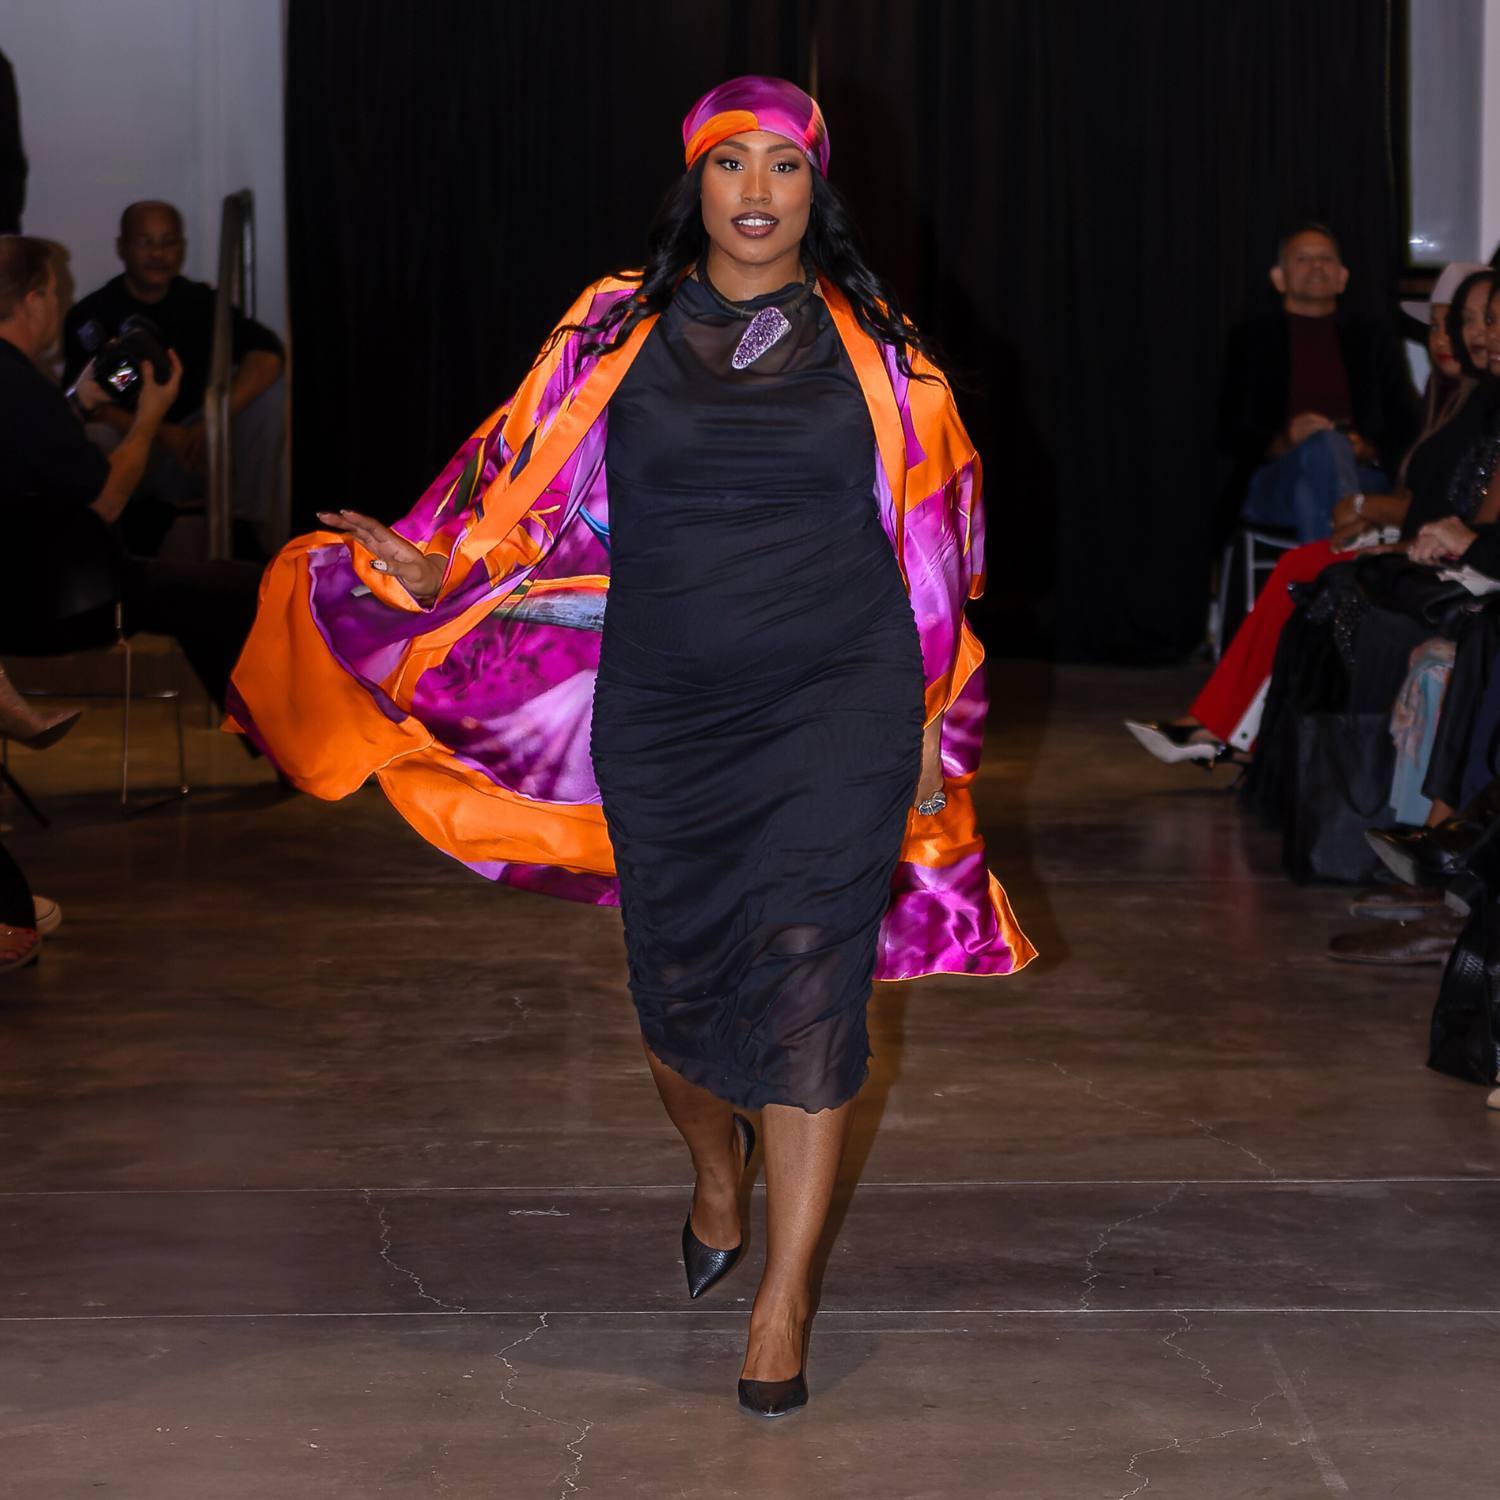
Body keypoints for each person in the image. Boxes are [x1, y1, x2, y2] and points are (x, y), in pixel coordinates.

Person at [227, 76, 1034, 1417]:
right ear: (696, 184)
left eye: (786, 165)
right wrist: (428, 569)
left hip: (844, 696)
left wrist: (935, 735)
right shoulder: (615, 327)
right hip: (668, 708)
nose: (761, 193)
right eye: (733, 165)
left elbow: (939, 554)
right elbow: (515, 486)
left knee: (809, 984)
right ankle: (716, 1172)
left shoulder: (886, 356)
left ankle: (783, 1305)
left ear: (818, 188)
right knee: (675, 993)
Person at [1129, 266, 1495, 767]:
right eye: (1444, 325)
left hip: (1422, 543)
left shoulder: (1476, 404)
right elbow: (1233, 430)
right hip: (1314, 498)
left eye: (1482, 321)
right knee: (1308, 545)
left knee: (1310, 562)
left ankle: (1224, 732)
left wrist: (1364, 504)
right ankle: (1221, 727)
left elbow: (1449, 508)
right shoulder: (1453, 397)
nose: (1457, 337)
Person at [0, 235, 260, 707]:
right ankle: (291, 749)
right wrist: (148, 418)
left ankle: (270, 744)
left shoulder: (19, 388)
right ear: (32, 300)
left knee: (198, 586)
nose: (59, 304)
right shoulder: (24, 389)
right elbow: (107, 500)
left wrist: (81, 402)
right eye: (54, 292)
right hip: (67, 600)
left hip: (18, 592)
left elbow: (30, 447)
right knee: (246, 589)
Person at [62, 201, 285, 554]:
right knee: (93, 434)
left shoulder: (201, 302)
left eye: (168, 243)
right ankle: (99, 543)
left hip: (198, 443)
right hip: (133, 443)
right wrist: (161, 432)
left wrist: (212, 423)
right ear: (122, 247)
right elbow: (80, 403)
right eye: (145, 243)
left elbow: (268, 357)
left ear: (181, 248)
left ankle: (245, 529)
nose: (158, 254)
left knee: (269, 397)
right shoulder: (92, 314)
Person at [1222, 223, 1419, 544]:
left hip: (1362, 477)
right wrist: (1285, 441)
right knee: (1324, 447)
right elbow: (1228, 430)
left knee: (1313, 487)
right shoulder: (1252, 341)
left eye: (1325, 259)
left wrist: (1367, 449)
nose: (1316, 266)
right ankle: (1344, 559)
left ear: (1342, 277)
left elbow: (1406, 424)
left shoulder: (1371, 340)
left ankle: (1327, 582)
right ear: (1278, 277)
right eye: (1302, 259)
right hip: (1275, 479)